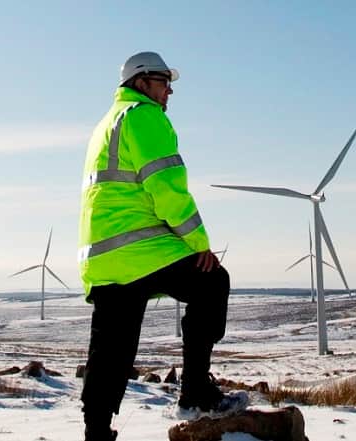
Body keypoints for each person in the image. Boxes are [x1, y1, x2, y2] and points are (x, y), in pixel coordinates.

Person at [77, 51, 232, 441]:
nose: (169, 92)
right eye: (163, 83)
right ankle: (196, 391)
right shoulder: (145, 117)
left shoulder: (106, 123)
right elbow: (167, 188)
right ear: (141, 83)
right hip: (143, 248)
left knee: (110, 350)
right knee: (212, 281)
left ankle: (95, 431)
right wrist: (199, 244)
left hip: (105, 259)